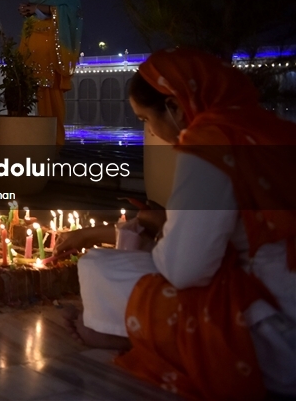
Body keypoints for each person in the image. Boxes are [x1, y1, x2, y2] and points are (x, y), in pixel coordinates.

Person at [59, 48, 295, 398]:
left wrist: (160, 228)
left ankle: (111, 331)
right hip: (281, 301)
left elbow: (185, 270)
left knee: (99, 266)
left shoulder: (209, 143)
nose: (150, 131)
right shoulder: (273, 131)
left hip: (272, 332)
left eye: (144, 119)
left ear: (175, 107)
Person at [17, 0, 81, 147]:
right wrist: (32, 9)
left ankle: (54, 142)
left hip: (52, 42)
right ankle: (30, 141)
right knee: (27, 90)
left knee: (48, 92)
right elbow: (43, 9)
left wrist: (40, 7)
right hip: (34, 39)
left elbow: (72, 10)